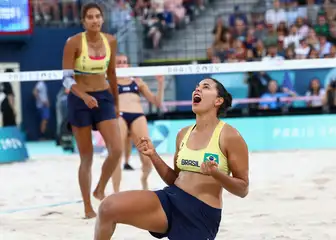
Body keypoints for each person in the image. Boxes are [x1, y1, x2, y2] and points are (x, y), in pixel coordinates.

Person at [94, 78, 249, 240]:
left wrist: (216, 174)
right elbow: (174, 180)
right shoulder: (183, 133)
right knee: (107, 208)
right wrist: (154, 155)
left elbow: (243, 189)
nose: (197, 90)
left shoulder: (230, 136)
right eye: (196, 87)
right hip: (171, 200)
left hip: (200, 215)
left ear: (218, 100)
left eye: (205, 87)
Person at [62, 2, 122, 219]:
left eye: (98, 16)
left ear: (102, 19)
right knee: (86, 157)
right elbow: (67, 80)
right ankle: (88, 206)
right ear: (83, 21)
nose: (95, 20)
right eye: (90, 17)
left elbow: (112, 73)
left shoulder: (111, 41)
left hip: (104, 97)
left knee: (117, 150)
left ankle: (100, 188)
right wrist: (84, 96)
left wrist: (116, 103)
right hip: (79, 100)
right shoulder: (74, 42)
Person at [111, 54, 165, 193]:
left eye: (124, 62)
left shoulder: (137, 81)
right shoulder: (110, 81)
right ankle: (116, 191)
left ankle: (144, 179)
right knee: (117, 155)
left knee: (148, 156)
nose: (122, 64)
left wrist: (160, 83)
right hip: (119, 115)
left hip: (137, 115)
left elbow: (157, 102)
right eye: (119, 62)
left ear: (128, 65)